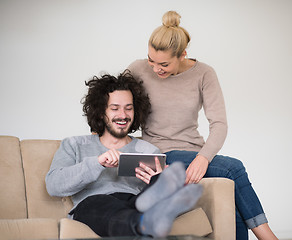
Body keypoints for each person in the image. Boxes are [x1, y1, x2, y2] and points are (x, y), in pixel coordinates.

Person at [127, 11, 278, 240]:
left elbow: (219, 124)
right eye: (151, 60)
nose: (156, 69)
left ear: (183, 54)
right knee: (233, 169)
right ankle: (269, 238)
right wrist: (100, 134)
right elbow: (112, 101)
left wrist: (203, 157)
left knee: (230, 199)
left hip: (191, 154)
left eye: (164, 64)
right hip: (155, 154)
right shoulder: (138, 69)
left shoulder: (204, 74)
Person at [45, 71, 203, 238]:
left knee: (149, 193)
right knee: (97, 203)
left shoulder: (147, 150)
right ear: (100, 112)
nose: (123, 115)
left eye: (129, 108)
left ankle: (151, 211)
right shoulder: (74, 145)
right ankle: (144, 221)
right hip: (95, 204)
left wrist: (157, 179)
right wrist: (97, 163)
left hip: (135, 201)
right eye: (115, 108)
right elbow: (53, 185)